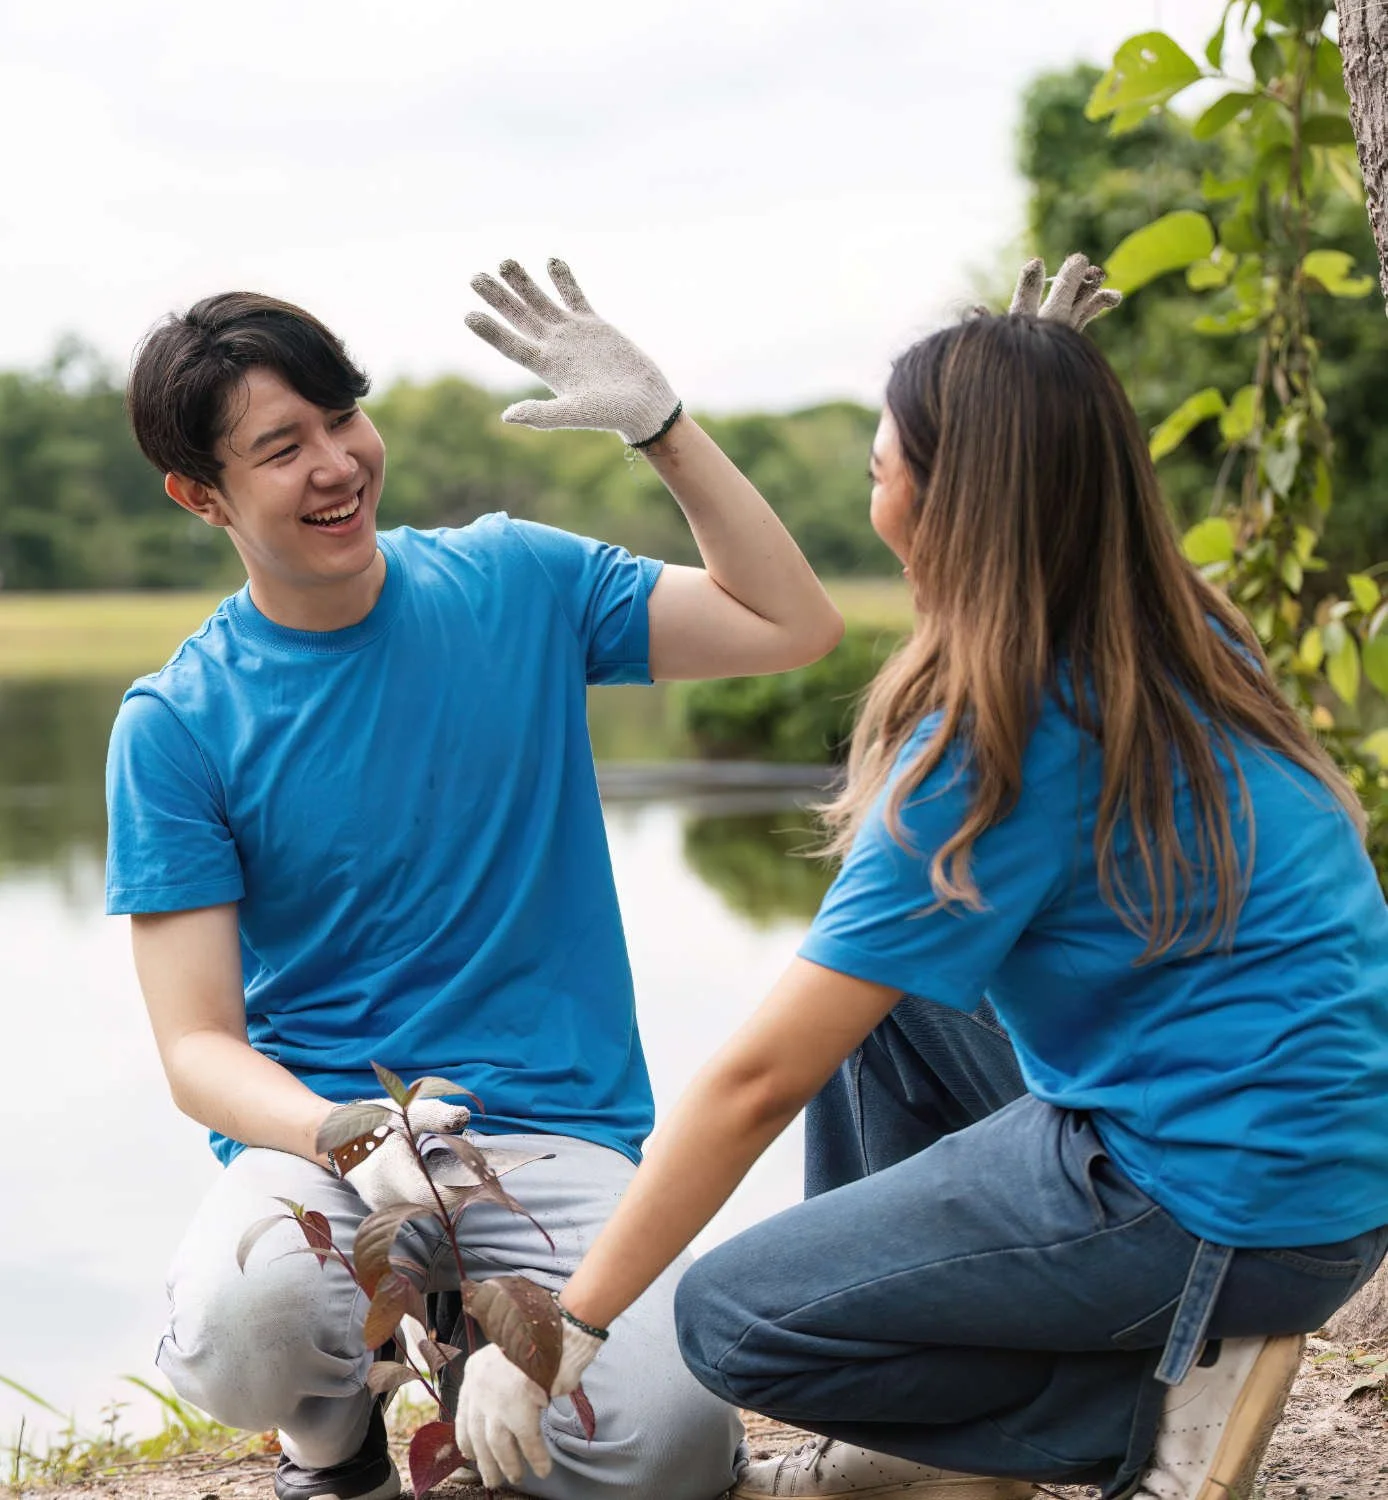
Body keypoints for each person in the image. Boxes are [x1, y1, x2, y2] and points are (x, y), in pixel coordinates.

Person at [452, 255, 1388, 1500]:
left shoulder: (984, 746)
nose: (871, 478)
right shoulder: (1179, 622)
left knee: (730, 1319)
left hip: (1221, 1213)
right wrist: (1029, 391)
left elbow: (752, 1081)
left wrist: (566, 1324)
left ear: (947, 504)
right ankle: (930, 1447)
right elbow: (1060, 509)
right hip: (1328, 1171)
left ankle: (1150, 1401)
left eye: (882, 461)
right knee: (881, 1016)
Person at [105, 258, 846, 1500]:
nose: (335, 464)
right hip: (333, 1151)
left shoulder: (515, 581)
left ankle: (476, 1355)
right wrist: (345, 1134)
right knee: (247, 1329)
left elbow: (788, 625)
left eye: (341, 417)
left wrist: (663, 434)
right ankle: (334, 1445)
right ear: (199, 495)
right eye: (281, 448)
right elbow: (196, 1048)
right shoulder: (177, 721)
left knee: (663, 1450)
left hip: (558, 1130)